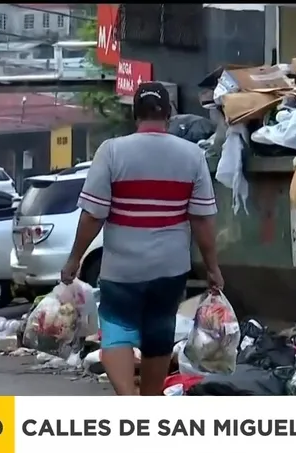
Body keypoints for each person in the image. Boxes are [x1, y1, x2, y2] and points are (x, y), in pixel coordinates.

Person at [60, 82, 223, 396]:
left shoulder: (112, 151)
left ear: (135, 113)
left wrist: (74, 259)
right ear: (169, 114)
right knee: (159, 332)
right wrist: (213, 268)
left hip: (123, 266)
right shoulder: (192, 155)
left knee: (117, 331)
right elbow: (202, 219)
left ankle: (128, 398)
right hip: (170, 267)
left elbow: (93, 213)